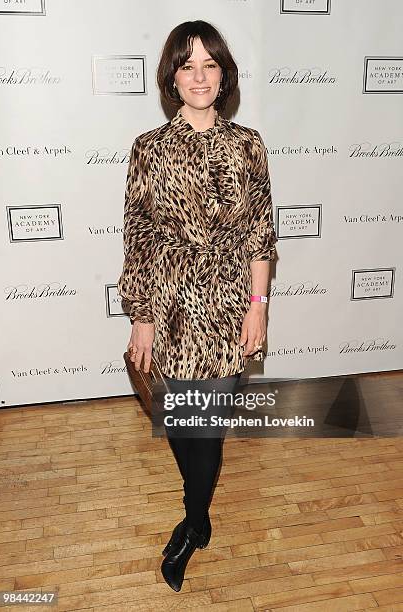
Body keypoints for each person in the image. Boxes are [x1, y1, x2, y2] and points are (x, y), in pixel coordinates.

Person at [117, 20, 278, 592]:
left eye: (209, 64)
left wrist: (257, 308)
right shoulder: (149, 150)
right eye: (188, 65)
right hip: (167, 304)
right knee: (179, 423)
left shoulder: (248, 144)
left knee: (205, 431)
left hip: (229, 306)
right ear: (172, 76)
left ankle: (192, 521)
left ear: (224, 73)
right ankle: (199, 515)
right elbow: (138, 235)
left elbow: (260, 233)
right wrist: (141, 317)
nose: (199, 75)